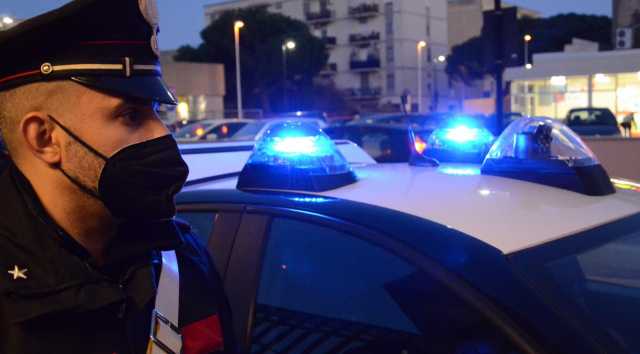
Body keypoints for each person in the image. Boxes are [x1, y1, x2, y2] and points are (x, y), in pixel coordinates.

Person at [0, 1, 235, 353]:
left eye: (156, 112)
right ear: (45, 139)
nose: (162, 135)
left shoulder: (182, 257)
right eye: (130, 116)